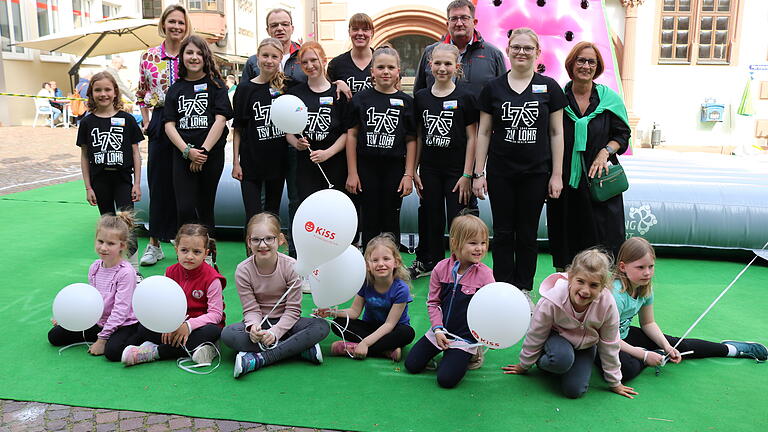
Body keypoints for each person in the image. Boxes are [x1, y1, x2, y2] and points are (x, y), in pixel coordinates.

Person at [472, 28, 566, 303]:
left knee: (527, 233)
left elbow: (556, 133)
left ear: (538, 53)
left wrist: (557, 174)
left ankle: (523, 288)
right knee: (502, 232)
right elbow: (483, 132)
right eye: (516, 47)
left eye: (528, 48)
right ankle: (502, 287)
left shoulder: (549, 87)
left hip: (536, 173)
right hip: (501, 172)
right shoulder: (493, 88)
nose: (522, 52)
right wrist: (479, 173)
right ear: (508, 50)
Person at [608, 237, 767, 382]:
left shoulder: (644, 289)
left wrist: (666, 346)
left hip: (625, 335)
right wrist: (644, 355)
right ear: (623, 267)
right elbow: (609, 340)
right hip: (604, 342)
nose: (647, 272)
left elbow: (648, 323)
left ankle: (732, 349)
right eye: (640, 267)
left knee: (678, 345)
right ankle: (650, 354)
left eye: (651, 266)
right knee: (624, 371)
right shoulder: (615, 296)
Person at [502, 249, 637, 399]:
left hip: (585, 346)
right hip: (556, 337)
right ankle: (544, 359)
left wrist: (615, 382)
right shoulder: (551, 299)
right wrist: (525, 364)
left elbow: (610, 343)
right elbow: (536, 333)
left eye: (594, 285)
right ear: (570, 277)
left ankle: (567, 364)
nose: (585, 290)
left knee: (574, 391)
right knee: (562, 359)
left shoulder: (608, 305)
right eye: (580, 281)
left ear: (603, 287)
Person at [547, 42, 631, 270]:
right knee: (566, 238)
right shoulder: (557, 98)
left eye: (591, 61)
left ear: (598, 67)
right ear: (571, 64)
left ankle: (604, 293)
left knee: (605, 240)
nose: (585, 66)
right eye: (581, 61)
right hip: (565, 181)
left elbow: (623, 135)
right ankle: (566, 289)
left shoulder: (608, 100)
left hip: (599, 181)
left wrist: (605, 152)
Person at [222, 213, 329, 378]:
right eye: (256, 240)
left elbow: (293, 310)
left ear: (280, 239)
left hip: (288, 323)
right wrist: (252, 328)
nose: (262, 245)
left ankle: (261, 358)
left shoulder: (292, 267)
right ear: (249, 242)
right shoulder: (243, 270)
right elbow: (251, 309)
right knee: (228, 334)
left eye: (269, 239)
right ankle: (298, 348)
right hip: (262, 324)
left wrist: (276, 332)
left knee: (321, 326)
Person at [410, 43, 478, 280]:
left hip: (457, 171)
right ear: (430, 66)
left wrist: (468, 174)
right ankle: (434, 265)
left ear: (456, 67)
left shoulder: (466, 96)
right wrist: (415, 170)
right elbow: (418, 135)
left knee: (459, 219)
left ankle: (463, 267)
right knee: (430, 216)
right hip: (429, 169)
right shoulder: (421, 98)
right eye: (437, 63)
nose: (442, 68)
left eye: (448, 63)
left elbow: (473, 137)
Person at [404, 214, 494, 388]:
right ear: (455, 243)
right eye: (473, 243)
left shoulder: (485, 275)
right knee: (412, 364)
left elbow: (490, 309)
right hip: (441, 332)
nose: (480, 248)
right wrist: (437, 330)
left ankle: (472, 353)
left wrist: (483, 336)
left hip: (465, 338)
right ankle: (447, 352)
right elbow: (433, 303)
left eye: (483, 243)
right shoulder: (441, 268)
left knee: (446, 379)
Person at [121, 224, 225, 367]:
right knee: (143, 328)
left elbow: (215, 314)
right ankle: (198, 348)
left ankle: (155, 352)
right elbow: (163, 304)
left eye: (196, 252)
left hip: (199, 326)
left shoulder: (212, 279)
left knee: (213, 331)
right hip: (173, 324)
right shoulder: (170, 272)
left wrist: (187, 326)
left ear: (205, 253)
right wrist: (168, 325)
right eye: (184, 250)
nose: (189, 256)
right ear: (176, 250)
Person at [136, 4, 192, 266]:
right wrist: (147, 121)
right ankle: (155, 243)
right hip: (159, 120)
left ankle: (185, 245)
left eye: (181, 23)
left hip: (187, 119)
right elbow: (141, 93)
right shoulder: (149, 56)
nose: (176, 27)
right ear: (163, 24)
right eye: (172, 22)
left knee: (184, 184)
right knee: (158, 182)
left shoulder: (192, 53)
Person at [346, 46, 417, 250]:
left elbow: (411, 140)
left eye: (390, 67)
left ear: (398, 72)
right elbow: (351, 135)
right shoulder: (360, 99)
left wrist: (408, 174)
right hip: (366, 167)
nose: (385, 71)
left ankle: (391, 265)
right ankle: (368, 268)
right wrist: (352, 172)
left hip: (394, 168)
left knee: (390, 218)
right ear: (372, 72)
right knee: (369, 218)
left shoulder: (406, 102)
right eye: (380, 67)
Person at [164, 35, 233, 237]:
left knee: (205, 207)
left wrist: (202, 152)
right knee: (184, 208)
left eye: (198, 53)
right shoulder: (175, 89)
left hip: (210, 155)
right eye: (189, 52)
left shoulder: (216, 85)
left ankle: (208, 256)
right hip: (182, 155)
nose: (194, 57)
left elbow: (221, 120)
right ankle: (185, 254)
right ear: (182, 56)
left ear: (205, 57)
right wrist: (188, 151)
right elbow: (169, 125)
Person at [48, 212, 141, 362]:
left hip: (124, 324)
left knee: (113, 352)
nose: (103, 247)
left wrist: (102, 340)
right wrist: (68, 318)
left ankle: (142, 339)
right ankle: (104, 336)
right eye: (100, 241)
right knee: (55, 336)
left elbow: (120, 311)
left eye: (110, 244)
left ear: (121, 246)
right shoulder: (95, 267)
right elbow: (90, 300)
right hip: (99, 321)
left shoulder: (126, 272)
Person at [316, 234, 415, 361]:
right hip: (369, 327)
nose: (380, 264)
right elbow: (354, 312)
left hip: (392, 330)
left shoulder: (401, 289)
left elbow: (389, 324)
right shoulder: (365, 283)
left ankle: (352, 348)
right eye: (375, 260)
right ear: (368, 266)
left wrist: (365, 343)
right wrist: (332, 312)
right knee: (338, 323)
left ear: (396, 262)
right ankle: (386, 351)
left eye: (386, 259)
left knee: (407, 333)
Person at [232, 38, 291, 224]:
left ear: (280, 59)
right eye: (265, 55)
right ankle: (251, 253)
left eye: (274, 57)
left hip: (277, 161)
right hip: (251, 162)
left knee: (272, 214)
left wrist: (339, 83)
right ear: (257, 58)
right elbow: (238, 128)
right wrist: (236, 162)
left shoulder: (286, 87)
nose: (269, 60)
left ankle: (271, 253)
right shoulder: (244, 88)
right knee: (253, 215)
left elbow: (315, 84)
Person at [287, 42, 349, 201]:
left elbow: (347, 132)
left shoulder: (338, 93)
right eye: (305, 62)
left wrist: (328, 153)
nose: (310, 65)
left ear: (323, 60)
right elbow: (288, 130)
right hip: (307, 165)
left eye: (314, 60)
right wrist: (296, 143)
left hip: (335, 163)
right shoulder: (295, 94)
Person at [78, 72, 143, 218]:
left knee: (126, 222)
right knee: (108, 223)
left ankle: (129, 243)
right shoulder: (87, 123)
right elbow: (84, 157)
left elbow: (135, 154)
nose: (103, 94)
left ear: (115, 92)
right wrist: (88, 187)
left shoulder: (128, 119)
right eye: (98, 90)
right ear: (91, 93)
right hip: (99, 180)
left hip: (123, 179)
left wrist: (137, 184)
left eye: (107, 89)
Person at [413, 0, 506, 96]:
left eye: (464, 18)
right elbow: (419, 92)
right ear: (447, 24)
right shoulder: (430, 52)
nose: (459, 23)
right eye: (453, 19)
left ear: (474, 22)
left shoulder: (493, 54)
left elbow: (502, 93)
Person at [327, 13, 375, 96]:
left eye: (365, 29)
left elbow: (395, 91)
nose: (360, 33)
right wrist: (335, 86)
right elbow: (326, 93)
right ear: (349, 32)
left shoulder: (383, 62)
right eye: (355, 29)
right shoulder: (336, 64)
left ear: (372, 33)